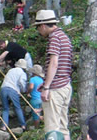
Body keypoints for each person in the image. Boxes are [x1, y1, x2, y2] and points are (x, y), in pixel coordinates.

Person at [34, 9, 73, 139]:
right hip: (66, 85)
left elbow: (54, 63)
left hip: (55, 88)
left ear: (43, 25)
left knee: (52, 129)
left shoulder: (54, 38)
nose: (38, 31)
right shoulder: (64, 36)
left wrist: (46, 87)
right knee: (63, 127)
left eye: (38, 28)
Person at [0, 59, 30, 130]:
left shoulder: (10, 70)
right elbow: (22, 83)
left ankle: (4, 126)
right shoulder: (22, 73)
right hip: (13, 90)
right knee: (17, 107)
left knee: (5, 109)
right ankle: (23, 125)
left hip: (3, 88)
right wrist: (24, 91)